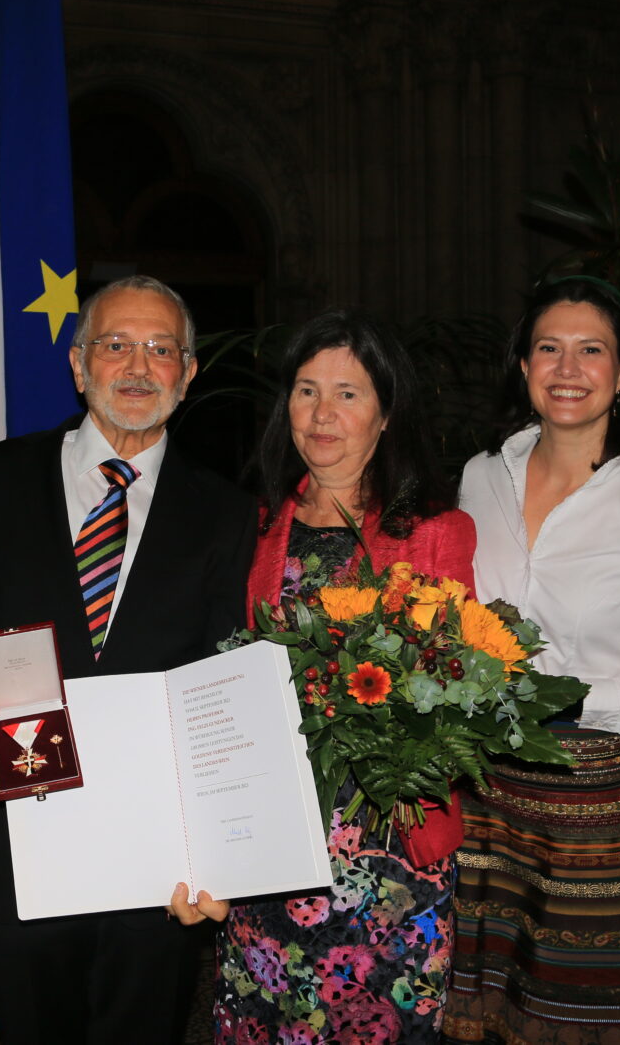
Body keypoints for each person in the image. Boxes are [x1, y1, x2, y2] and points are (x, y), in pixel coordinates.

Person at [0, 275, 257, 1045]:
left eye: (161, 348)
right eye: (115, 344)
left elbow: (225, 681)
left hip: (157, 864)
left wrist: (222, 846)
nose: (138, 366)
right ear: (78, 365)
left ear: (189, 372)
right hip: (22, 837)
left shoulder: (227, 511)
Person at [442, 277, 620, 1043]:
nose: (567, 368)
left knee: (583, 1018)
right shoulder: (480, 478)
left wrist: (569, 699)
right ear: (523, 365)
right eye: (549, 347)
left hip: (593, 815)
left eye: (592, 350)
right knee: (483, 1018)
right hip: (485, 797)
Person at [175, 309, 477, 1044]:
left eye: (348, 393)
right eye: (307, 391)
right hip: (269, 849)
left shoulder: (436, 530)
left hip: (388, 846)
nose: (322, 413)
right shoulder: (250, 525)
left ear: (385, 413)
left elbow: (462, 686)